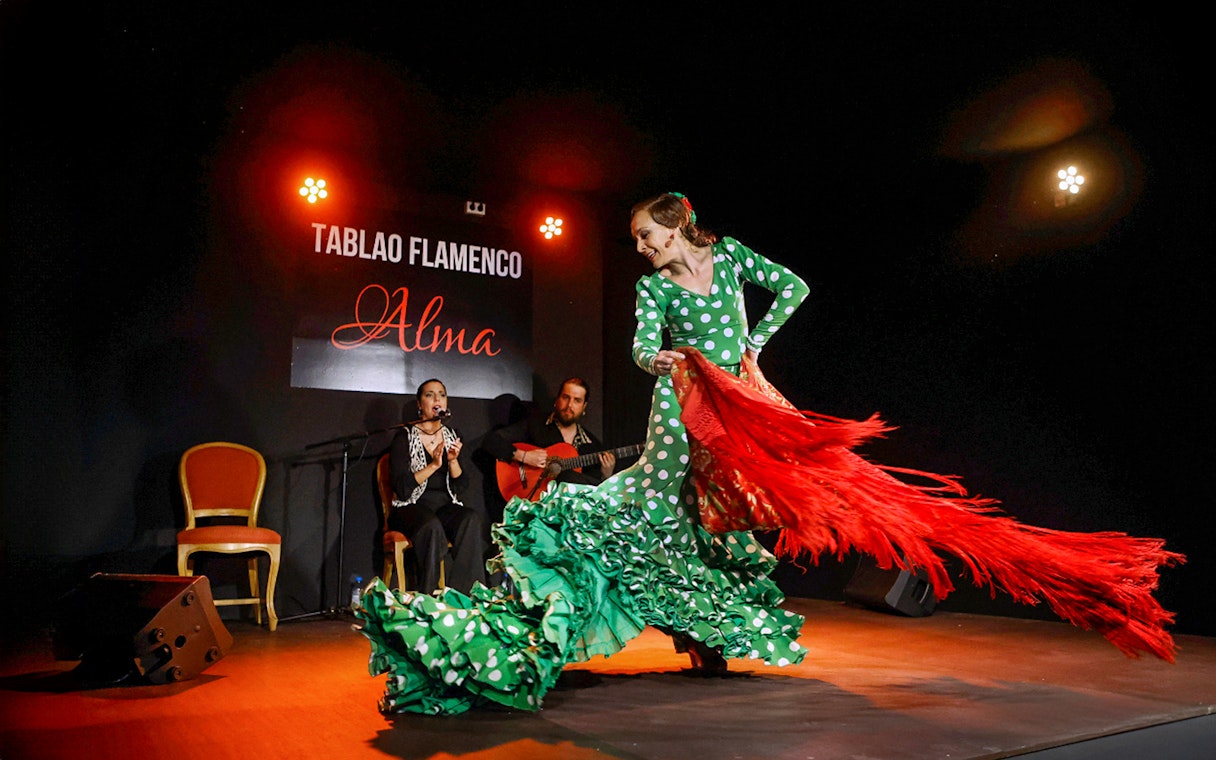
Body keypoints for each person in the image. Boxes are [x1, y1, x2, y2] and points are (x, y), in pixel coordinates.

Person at [356, 193, 1182, 716]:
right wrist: (673, 363)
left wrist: (753, 345)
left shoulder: (732, 257)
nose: (639, 250)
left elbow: (794, 288)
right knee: (659, 513)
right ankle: (553, 631)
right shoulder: (649, 292)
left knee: (746, 513)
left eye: (645, 237)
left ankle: (694, 631)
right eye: (636, 242)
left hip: (737, 404)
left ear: (676, 226)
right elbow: (644, 349)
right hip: (683, 409)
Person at [386, 378, 486, 595]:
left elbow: (461, 487)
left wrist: (452, 461)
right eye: (430, 395)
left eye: (441, 394)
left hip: (443, 506)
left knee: (469, 519)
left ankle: (464, 596)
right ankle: (427, 598)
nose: (437, 399)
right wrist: (433, 465)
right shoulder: (404, 437)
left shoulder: (452, 436)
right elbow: (403, 488)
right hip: (409, 507)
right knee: (431, 526)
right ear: (420, 405)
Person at [480, 377, 618, 500]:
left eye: (577, 401)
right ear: (557, 400)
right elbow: (491, 440)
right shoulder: (535, 424)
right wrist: (523, 456)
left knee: (568, 477)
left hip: (570, 516)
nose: (569, 405)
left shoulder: (591, 445)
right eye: (565, 397)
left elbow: (594, 492)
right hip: (534, 501)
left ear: (584, 407)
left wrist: (606, 475)